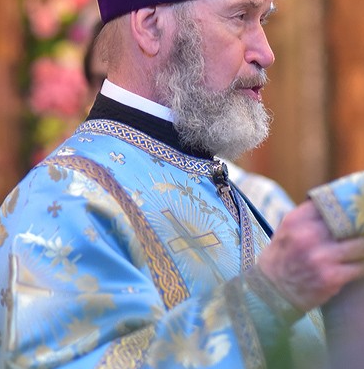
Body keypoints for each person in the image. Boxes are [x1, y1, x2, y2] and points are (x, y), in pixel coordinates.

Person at [0, 0, 364, 369]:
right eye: (240, 17)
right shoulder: (62, 205)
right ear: (150, 26)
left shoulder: (222, 188)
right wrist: (267, 298)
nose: (265, 52)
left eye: (264, 20)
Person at [84, 17, 296, 229]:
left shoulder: (262, 201)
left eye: (250, 17)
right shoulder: (82, 194)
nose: (266, 55)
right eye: (103, 83)